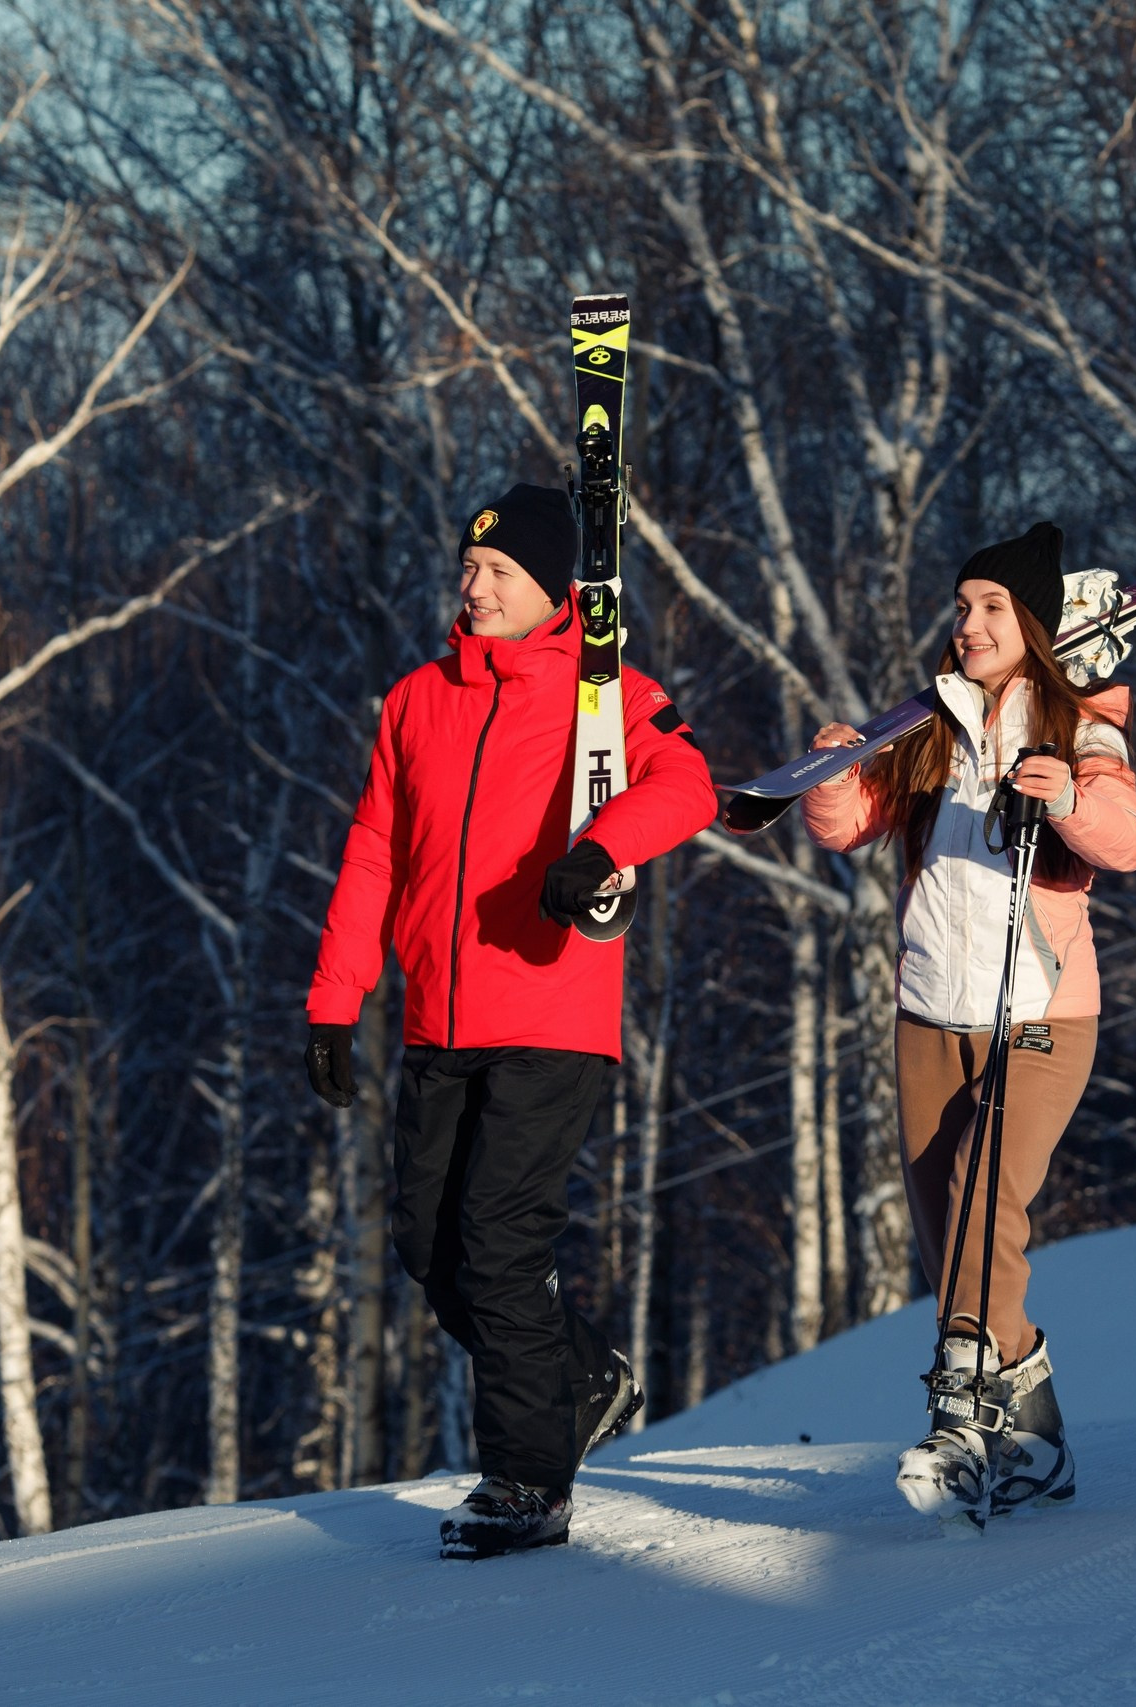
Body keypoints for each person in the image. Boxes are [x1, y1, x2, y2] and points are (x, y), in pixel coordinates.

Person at [304, 482, 717, 1559]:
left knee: (497, 1243)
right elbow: (373, 853)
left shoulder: (606, 691)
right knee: (428, 1247)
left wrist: (598, 846)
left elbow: (691, 785)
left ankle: (529, 1480)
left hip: (549, 1012)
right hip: (437, 1020)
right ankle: (579, 1381)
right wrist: (333, 1000)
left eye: (497, 573)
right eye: (468, 567)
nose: (471, 586)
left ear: (551, 590)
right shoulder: (415, 700)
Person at [801, 521, 1136, 1523]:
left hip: (1040, 1014)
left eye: (991, 607)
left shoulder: (1079, 724)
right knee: (952, 1236)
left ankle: (957, 1422)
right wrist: (833, 773)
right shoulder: (928, 722)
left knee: (980, 1197)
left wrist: (1072, 796)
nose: (967, 625)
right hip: (931, 1016)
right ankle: (1037, 1446)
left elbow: (1128, 843)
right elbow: (849, 824)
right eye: (961, 607)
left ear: (1035, 624)